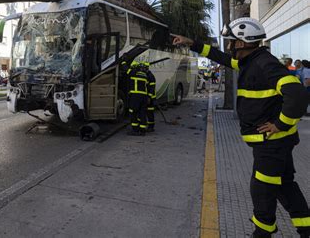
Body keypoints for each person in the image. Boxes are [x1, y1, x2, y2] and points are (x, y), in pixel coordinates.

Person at [172, 17, 310, 237]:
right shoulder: (251, 61)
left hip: (272, 145)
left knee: (262, 191)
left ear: (243, 42)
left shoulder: (264, 64)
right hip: (274, 144)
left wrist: (279, 124)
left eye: (232, 41)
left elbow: (297, 95)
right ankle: (306, 228)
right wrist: (193, 44)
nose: (229, 45)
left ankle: (262, 233)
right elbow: (223, 58)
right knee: (284, 186)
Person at [126, 61, 149, 136]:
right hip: (144, 97)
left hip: (136, 96)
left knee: (133, 112)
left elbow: (126, 69)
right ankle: (142, 130)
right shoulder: (144, 75)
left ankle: (135, 130)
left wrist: (123, 61)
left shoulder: (133, 72)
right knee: (142, 113)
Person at [140, 61, 156, 132]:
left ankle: (151, 127)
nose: (142, 69)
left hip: (150, 98)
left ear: (146, 68)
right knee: (145, 112)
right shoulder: (145, 75)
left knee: (149, 113)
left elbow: (152, 88)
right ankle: (146, 125)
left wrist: (149, 97)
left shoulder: (150, 76)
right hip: (146, 97)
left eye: (143, 68)